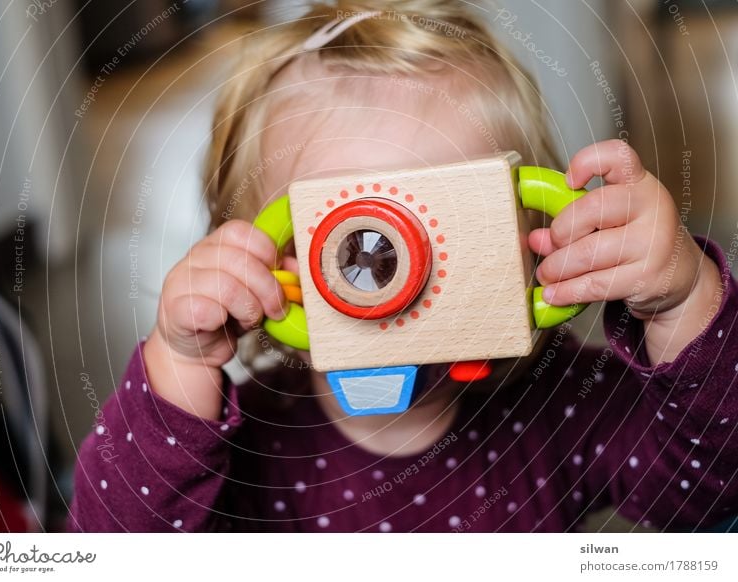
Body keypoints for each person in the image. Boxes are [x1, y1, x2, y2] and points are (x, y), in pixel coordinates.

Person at [69, 0, 737, 532]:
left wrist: (682, 304)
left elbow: (711, 489)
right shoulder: (252, 443)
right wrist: (180, 367)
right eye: (352, 245)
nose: (393, 275)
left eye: (445, 223)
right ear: (267, 260)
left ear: (529, 228)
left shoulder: (561, 402)